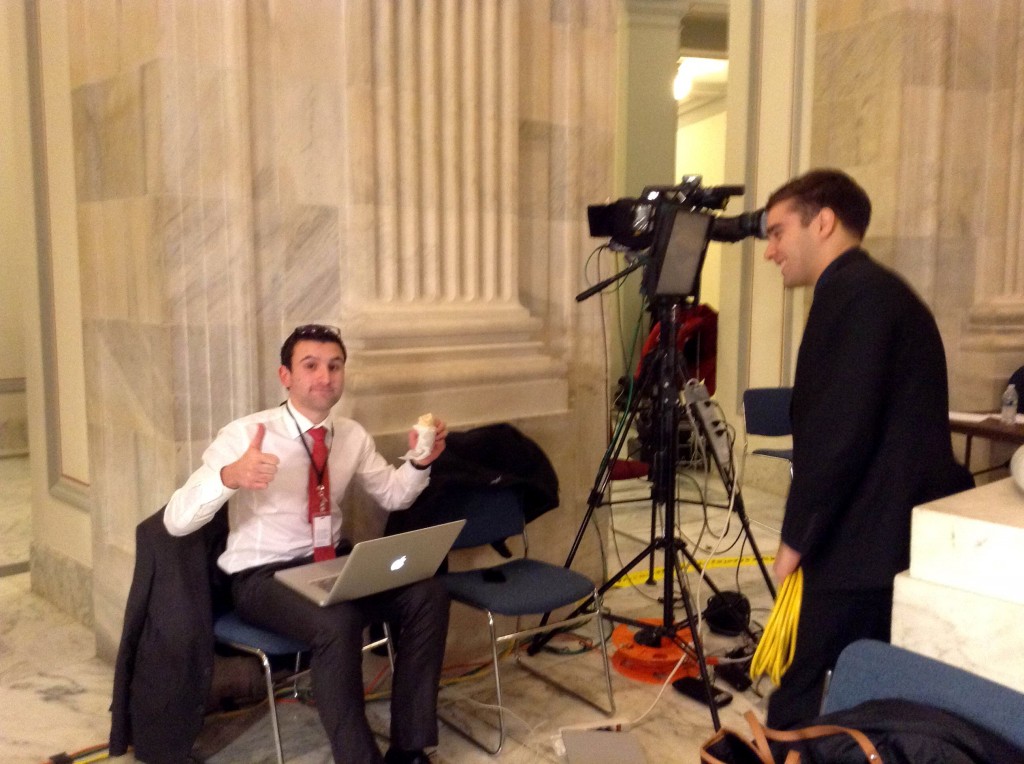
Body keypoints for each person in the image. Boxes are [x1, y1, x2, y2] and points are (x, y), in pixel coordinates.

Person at [164, 323, 449, 764]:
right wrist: (229, 478)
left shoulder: (351, 435)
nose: (325, 376)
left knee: (427, 593)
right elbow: (176, 520)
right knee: (336, 622)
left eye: (334, 366)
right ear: (285, 376)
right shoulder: (246, 433)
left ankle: (409, 749)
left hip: (331, 565)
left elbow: (394, 494)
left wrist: (419, 462)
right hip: (261, 578)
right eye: (311, 365)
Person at [761, 169, 973, 729]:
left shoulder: (855, 296)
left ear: (823, 222)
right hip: (885, 538)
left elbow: (837, 436)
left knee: (801, 697)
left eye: (778, 232)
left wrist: (794, 540)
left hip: (858, 545)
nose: (770, 251)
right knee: (858, 692)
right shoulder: (880, 292)